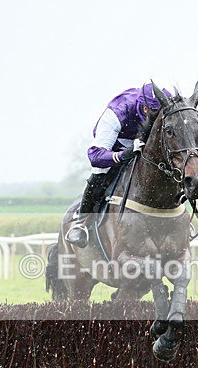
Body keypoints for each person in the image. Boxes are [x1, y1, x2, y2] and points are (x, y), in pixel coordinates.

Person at [65, 82, 172, 248]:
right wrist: (124, 154)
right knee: (101, 170)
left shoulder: (167, 104)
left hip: (145, 140)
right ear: (145, 109)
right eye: (155, 113)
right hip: (115, 142)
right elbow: (95, 156)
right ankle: (81, 222)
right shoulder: (119, 110)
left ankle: (177, 216)